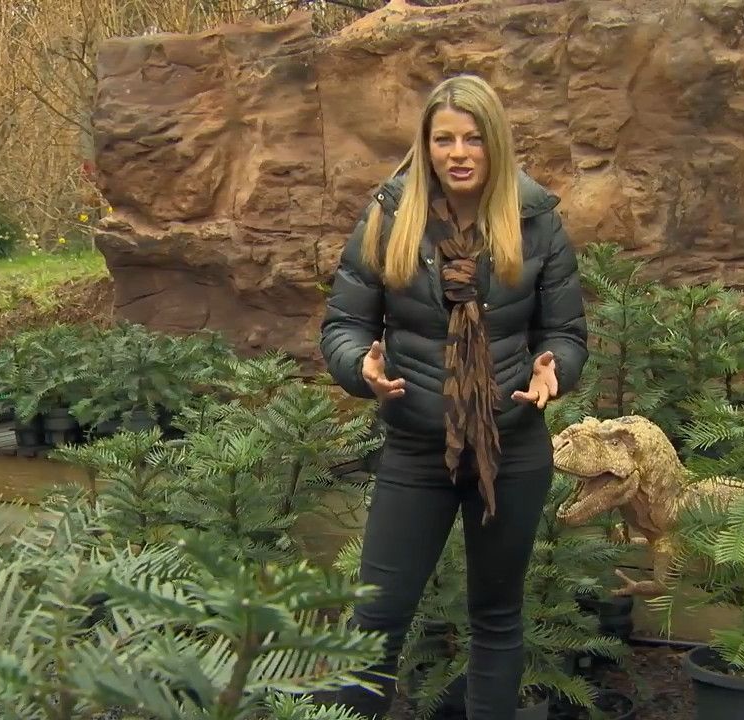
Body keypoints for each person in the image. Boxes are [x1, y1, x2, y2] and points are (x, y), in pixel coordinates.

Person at [319, 73, 589, 720]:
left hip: (511, 447)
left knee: (496, 616)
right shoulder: (388, 217)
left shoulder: (536, 223)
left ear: (495, 143)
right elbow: (344, 324)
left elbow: (565, 332)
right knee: (377, 614)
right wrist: (360, 367)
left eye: (473, 138)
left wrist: (556, 369)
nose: (459, 153)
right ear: (426, 145)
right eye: (444, 139)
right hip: (416, 447)